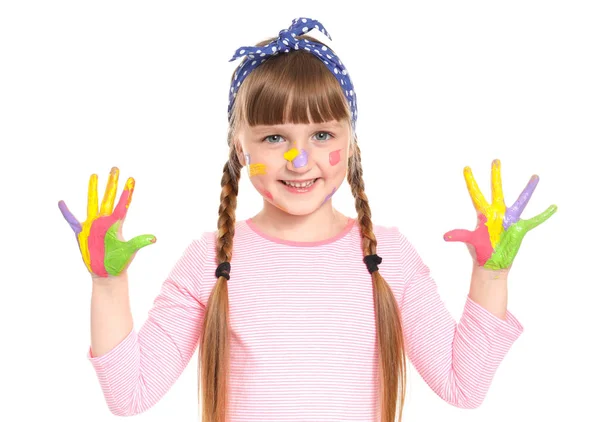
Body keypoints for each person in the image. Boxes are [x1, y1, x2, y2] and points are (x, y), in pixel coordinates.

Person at [58, 16, 557, 422]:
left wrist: (491, 274)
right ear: (241, 146)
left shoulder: (387, 257)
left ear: (350, 143)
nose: (299, 160)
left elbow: (463, 387)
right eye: (275, 138)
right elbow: (129, 396)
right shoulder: (210, 260)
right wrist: (108, 283)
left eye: (321, 135)